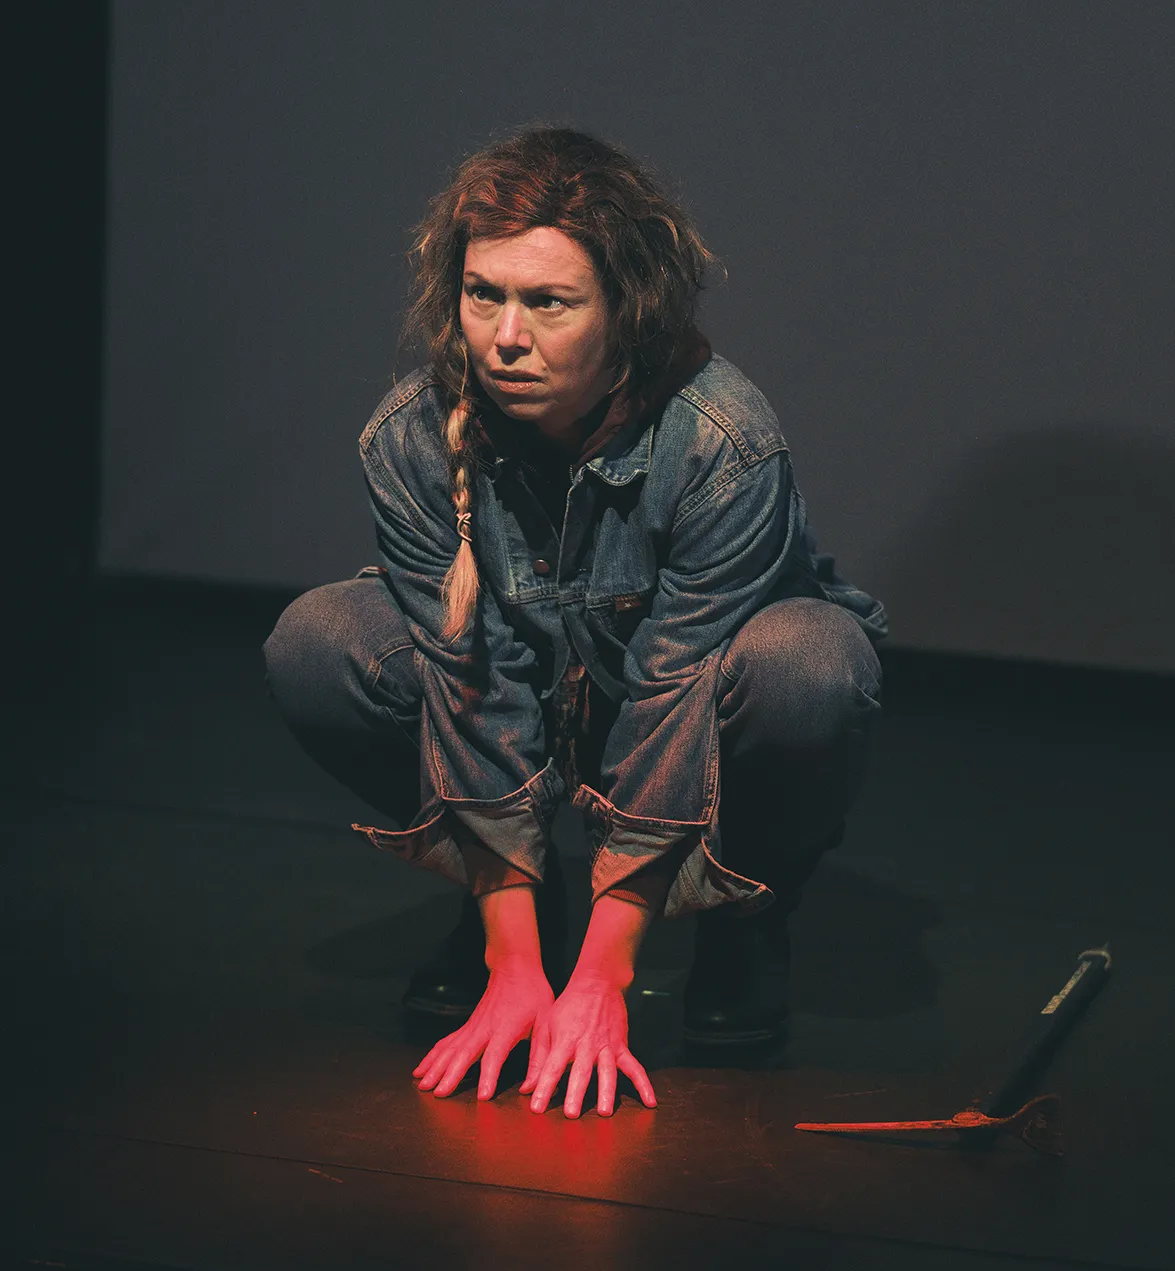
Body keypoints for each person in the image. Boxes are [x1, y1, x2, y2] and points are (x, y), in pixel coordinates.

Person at [264, 128, 884, 1118]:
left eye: (548, 302)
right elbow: (468, 685)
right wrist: (515, 960)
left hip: (686, 726)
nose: (506, 336)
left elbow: (674, 696)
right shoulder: (410, 434)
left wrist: (602, 981)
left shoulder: (722, 441)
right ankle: (507, 912)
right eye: (483, 295)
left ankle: (742, 917)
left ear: (625, 310)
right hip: (529, 719)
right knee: (319, 639)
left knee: (807, 665)